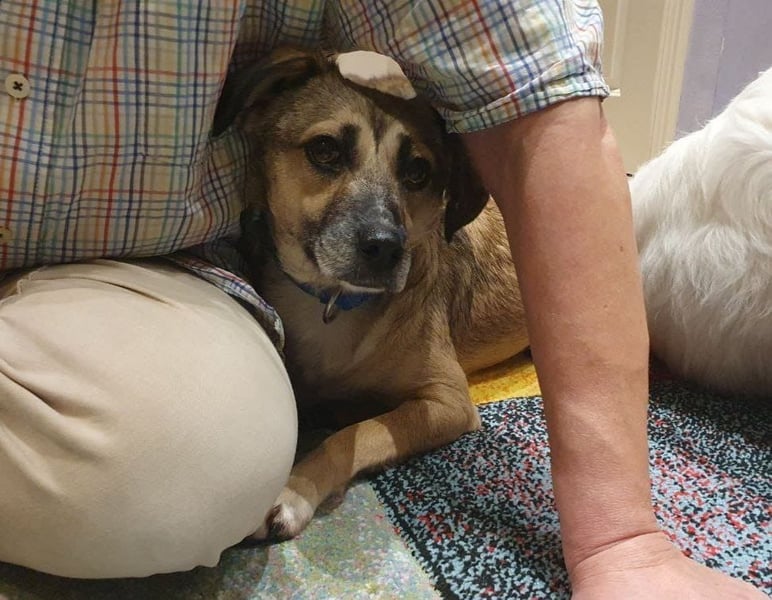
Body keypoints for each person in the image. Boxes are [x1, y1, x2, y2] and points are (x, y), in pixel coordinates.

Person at [0, 1, 762, 597]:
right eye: (327, 154)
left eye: (414, 174)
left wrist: (622, 541)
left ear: (444, 201)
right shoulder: (252, 227)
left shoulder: (421, 262)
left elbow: (451, 404)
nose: (382, 229)